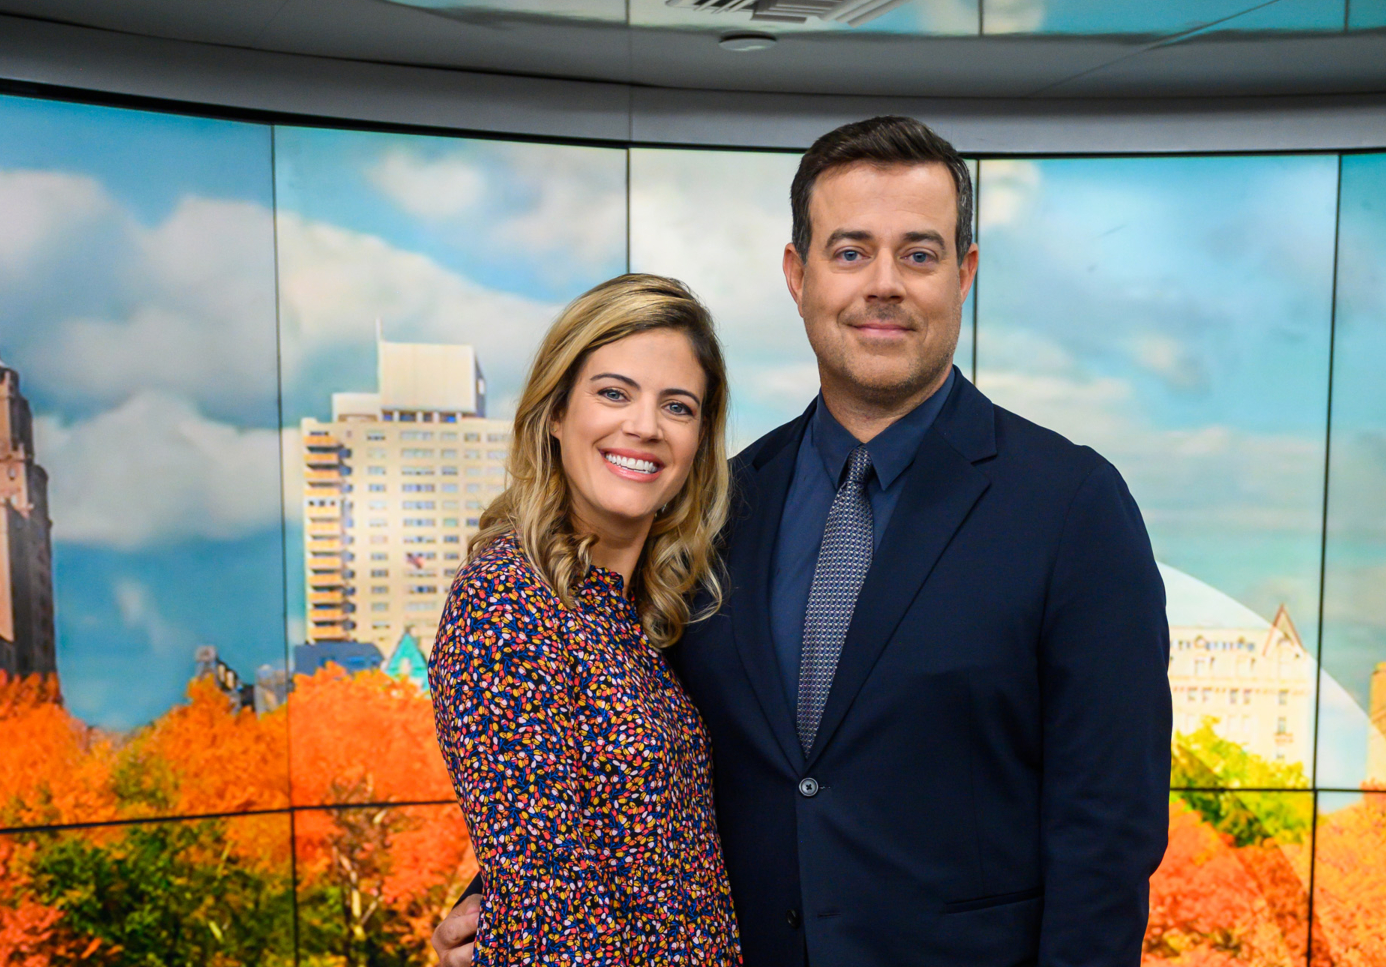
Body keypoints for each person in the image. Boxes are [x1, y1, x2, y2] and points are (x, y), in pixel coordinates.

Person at [436, 116, 1171, 966]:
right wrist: (505, 894)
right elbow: (623, 749)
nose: (884, 284)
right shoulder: (713, 508)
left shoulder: (1072, 505)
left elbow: (1107, 834)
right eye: (851, 251)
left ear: (965, 274)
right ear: (798, 273)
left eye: (920, 253)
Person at [427, 274, 741, 965]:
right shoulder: (507, 598)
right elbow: (551, 912)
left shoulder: (639, 616)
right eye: (613, 392)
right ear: (557, 413)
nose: (645, 426)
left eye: (678, 406)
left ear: (697, 446)